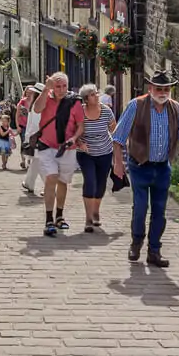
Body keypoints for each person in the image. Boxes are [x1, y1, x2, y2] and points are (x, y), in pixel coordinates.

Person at [111, 71, 179, 267]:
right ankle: (136, 242)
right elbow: (118, 137)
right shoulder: (136, 105)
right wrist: (118, 164)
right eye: (159, 88)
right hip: (139, 165)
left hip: (162, 167)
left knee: (160, 211)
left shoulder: (176, 109)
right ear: (150, 88)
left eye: (166, 89)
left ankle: (154, 250)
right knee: (140, 207)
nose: (162, 92)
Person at [31, 72, 85, 237]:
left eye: (64, 86)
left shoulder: (74, 102)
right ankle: (48, 219)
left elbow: (80, 125)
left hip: (67, 149)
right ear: (52, 86)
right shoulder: (46, 97)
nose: (61, 90)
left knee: (63, 182)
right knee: (51, 177)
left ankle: (59, 216)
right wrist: (45, 90)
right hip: (47, 146)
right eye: (58, 86)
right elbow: (37, 108)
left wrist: (74, 138)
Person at [75, 83, 116, 233]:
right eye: (93, 94)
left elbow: (114, 130)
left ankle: (96, 211)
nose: (97, 96)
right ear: (86, 99)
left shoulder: (106, 111)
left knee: (101, 183)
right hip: (86, 154)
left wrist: (120, 146)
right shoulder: (80, 112)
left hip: (105, 152)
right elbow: (74, 132)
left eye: (96, 93)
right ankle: (88, 218)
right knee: (90, 181)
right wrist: (80, 142)